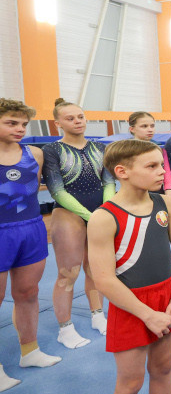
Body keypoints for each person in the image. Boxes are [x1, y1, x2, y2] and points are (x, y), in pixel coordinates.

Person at [88, 139, 171, 394]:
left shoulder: (166, 203)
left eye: (161, 165)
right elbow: (104, 280)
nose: (162, 172)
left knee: (164, 369)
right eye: (151, 166)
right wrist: (147, 315)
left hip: (168, 295)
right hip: (131, 304)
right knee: (129, 385)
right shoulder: (104, 217)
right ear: (122, 171)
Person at [0, 99, 61, 393]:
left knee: (28, 292)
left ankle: (30, 351)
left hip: (31, 228)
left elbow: (34, 188)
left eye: (23, 124)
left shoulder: (34, 154)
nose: (20, 129)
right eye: (12, 123)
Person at [44, 98, 115, 348]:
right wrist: (90, 215)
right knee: (68, 272)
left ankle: (98, 315)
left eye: (80, 117)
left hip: (99, 210)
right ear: (57, 123)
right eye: (70, 118)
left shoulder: (99, 147)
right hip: (68, 212)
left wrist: (106, 209)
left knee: (95, 268)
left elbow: (109, 182)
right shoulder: (52, 150)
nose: (77, 122)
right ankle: (65, 328)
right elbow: (56, 190)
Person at [129, 111, 171, 196]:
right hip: (134, 194)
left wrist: (169, 196)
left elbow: (167, 174)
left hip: (156, 193)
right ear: (132, 129)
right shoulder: (126, 149)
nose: (150, 129)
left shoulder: (159, 148)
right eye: (144, 126)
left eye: (152, 126)